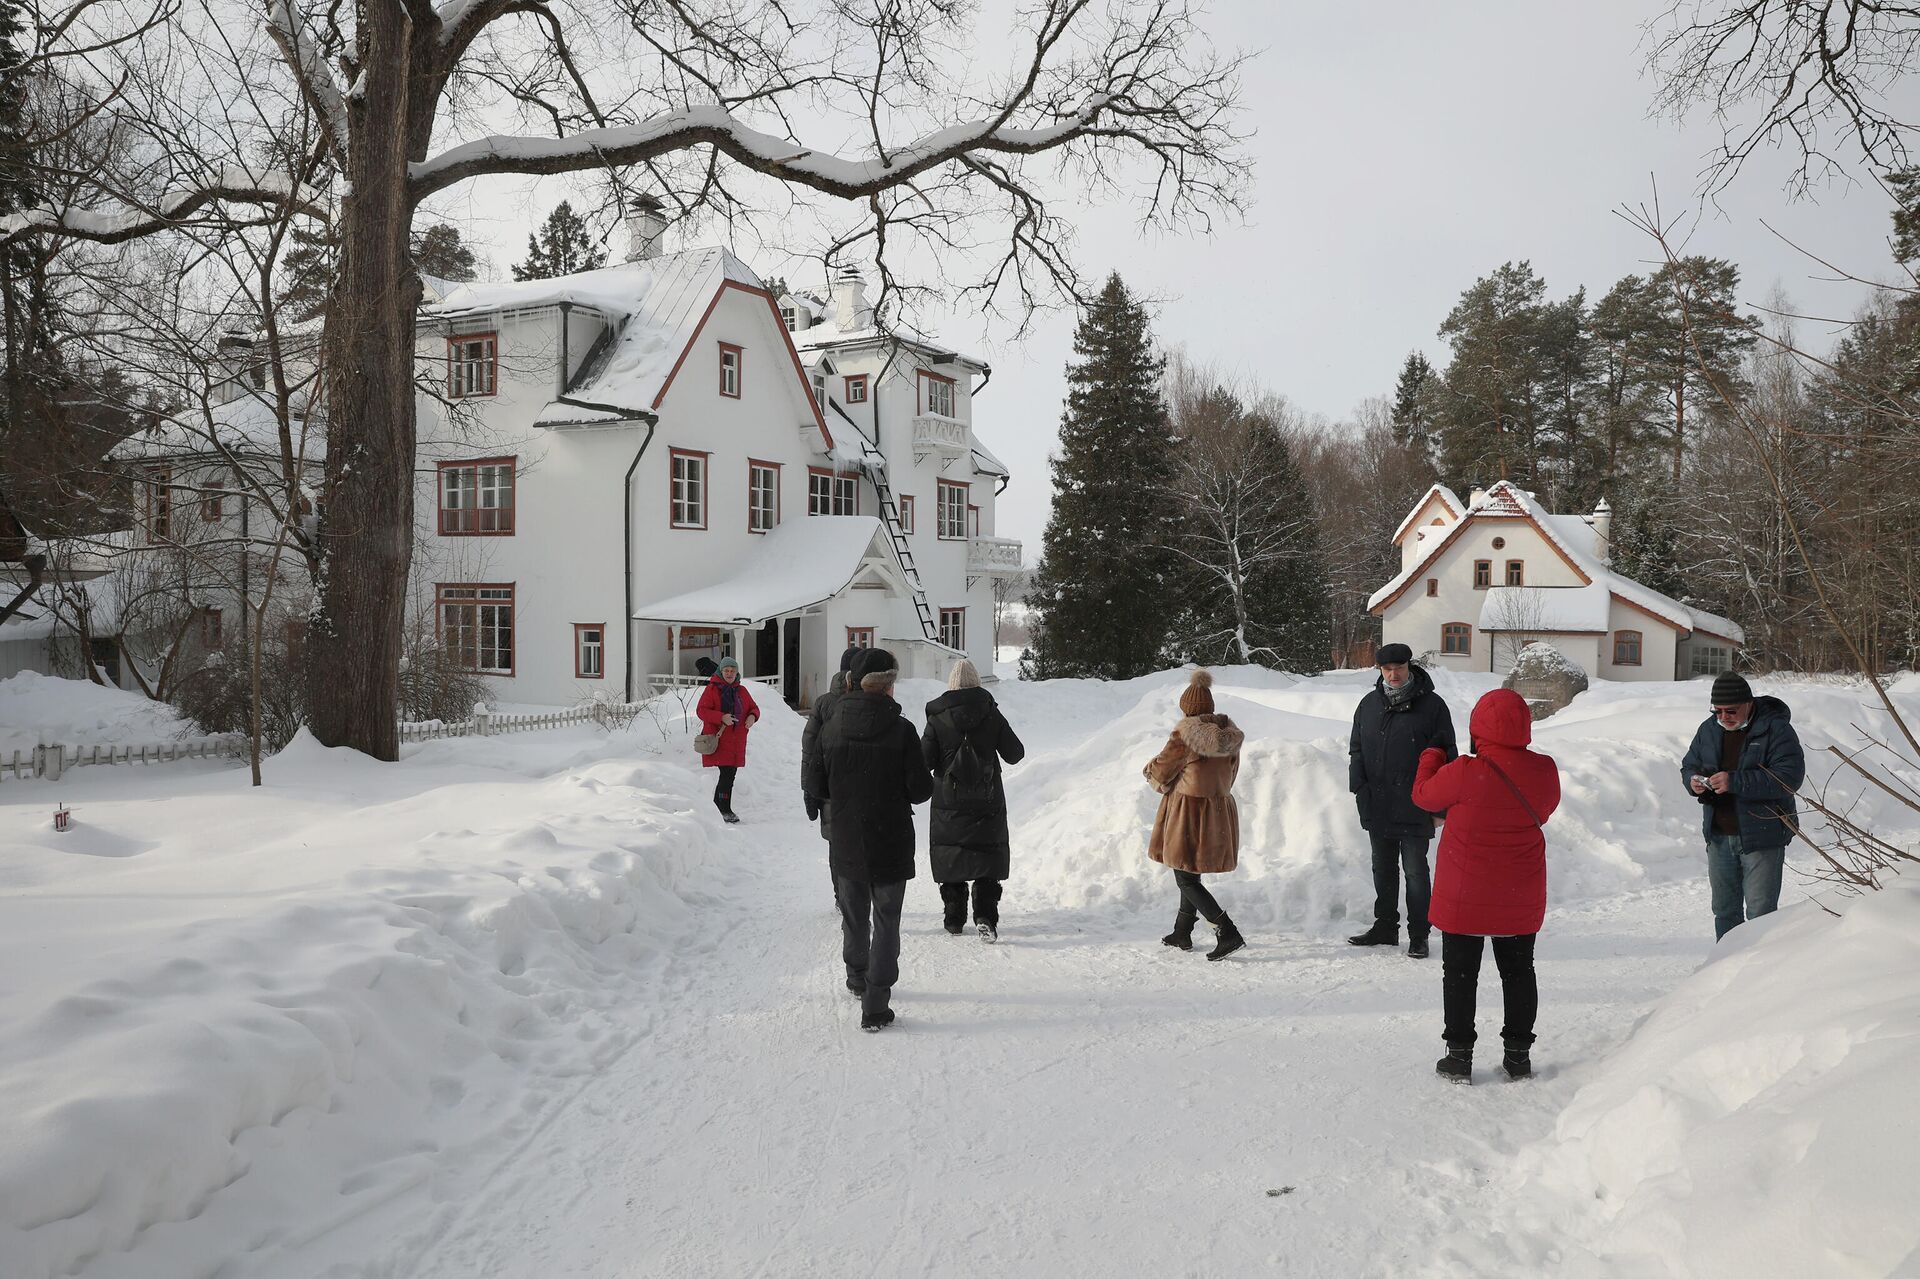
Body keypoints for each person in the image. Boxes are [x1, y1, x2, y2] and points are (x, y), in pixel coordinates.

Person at [1411, 687, 1561, 1084]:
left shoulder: (1463, 771)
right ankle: (1518, 1057)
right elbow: (1543, 809)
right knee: (1518, 971)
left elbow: (1424, 797)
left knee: (1460, 974)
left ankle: (1459, 1057)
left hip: (1465, 895)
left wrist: (1431, 756)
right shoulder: (1544, 770)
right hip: (1519, 893)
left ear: (1478, 729)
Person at [804, 647, 934, 1032]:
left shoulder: (831, 727)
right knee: (887, 919)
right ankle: (875, 1003)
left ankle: (856, 974)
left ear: (854, 682)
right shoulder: (903, 730)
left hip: (846, 836)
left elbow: (815, 783)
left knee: (854, 913)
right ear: (889, 685)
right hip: (890, 839)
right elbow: (920, 790)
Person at [1348, 642, 1458, 959]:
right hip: (1378, 803)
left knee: (1415, 873)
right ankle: (1385, 927)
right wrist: (1360, 789)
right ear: (1380, 670)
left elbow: (1446, 756)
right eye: (1387, 669)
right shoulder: (1368, 705)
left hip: (1416, 804)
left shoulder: (1433, 706)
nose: (1393, 674)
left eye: (1399, 667)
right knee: (1382, 869)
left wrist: (1440, 805)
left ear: (1409, 666)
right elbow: (1356, 749)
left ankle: (1419, 934)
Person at [1680, 672, 1805, 941]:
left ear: (1748, 703)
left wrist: (1735, 782)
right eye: (1718, 711)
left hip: (1763, 836)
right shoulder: (1709, 729)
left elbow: (1789, 778)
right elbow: (1689, 764)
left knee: (1761, 914)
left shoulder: (1776, 728)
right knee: (1724, 911)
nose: (1724, 717)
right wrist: (1693, 782)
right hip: (1719, 836)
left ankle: (1757, 972)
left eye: (1731, 711)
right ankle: (1724, 970)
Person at [1144, 669, 1246, 962]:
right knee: (1190, 871)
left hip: (1187, 811)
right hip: (1218, 809)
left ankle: (1226, 931)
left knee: (1184, 877)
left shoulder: (1184, 735)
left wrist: (1149, 769)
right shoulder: (1230, 738)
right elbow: (1231, 776)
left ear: (1187, 710)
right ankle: (1182, 931)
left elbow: (1163, 771)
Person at [922, 658, 1027, 942]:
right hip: (987, 801)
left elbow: (925, 761)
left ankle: (954, 918)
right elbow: (1015, 753)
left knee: (952, 859)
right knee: (986, 859)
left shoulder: (938, 718)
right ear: (977, 683)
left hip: (949, 802)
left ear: (952, 685)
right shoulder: (991, 714)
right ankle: (985, 917)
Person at [802, 645, 863, 885]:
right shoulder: (865, 700)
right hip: (855, 783)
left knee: (836, 842)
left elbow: (809, 746)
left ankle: (842, 894)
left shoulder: (823, 702)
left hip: (829, 785)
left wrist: (809, 788)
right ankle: (854, 895)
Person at [695, 655, 759, 824]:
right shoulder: (712, 689)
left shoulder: (741, 691)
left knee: (729, 775)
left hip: (736, 740)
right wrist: (721, 717)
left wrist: (752, 716)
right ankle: (724, 809)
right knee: (727, 775)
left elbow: (754, 708)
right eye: (726, 670)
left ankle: (718, 807)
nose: (729, 673)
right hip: (721, 738)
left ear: (737, 672)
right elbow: (701, 711)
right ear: (720, 671)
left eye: (732, 670)